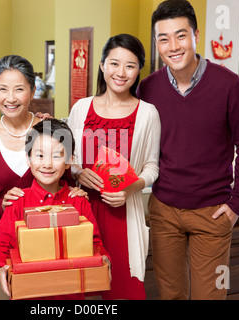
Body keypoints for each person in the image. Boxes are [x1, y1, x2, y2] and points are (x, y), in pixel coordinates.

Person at [136, 0, 239, 300]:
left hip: (213, 215)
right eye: (163, 38)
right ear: (157, 43)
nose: (173, 46)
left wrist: (237, 204)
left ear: (196, 36)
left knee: (213, 295)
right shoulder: (148, 88)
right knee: (170, 296)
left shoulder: (229, 85)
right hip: (164, 212)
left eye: (181, 35)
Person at [0, 55, 85, 299]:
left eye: (19, 89)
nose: (10, 98)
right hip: (1, 244)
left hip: (50, 242)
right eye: (3, 89)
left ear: (32, 91)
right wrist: (0, 205)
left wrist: (76, 192)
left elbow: (68, 179)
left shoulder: (51, 128)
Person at [67, 34, 161, 300]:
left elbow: (152, 167)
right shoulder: (81, 108)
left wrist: (130, 189)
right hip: (82, 211)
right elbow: (68, 157)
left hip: (122, 214)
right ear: (101, 65)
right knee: (76, 289)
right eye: (114, 63)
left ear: (139, 70)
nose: (121, 73)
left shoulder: (147, 113)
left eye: (130, 66)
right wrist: (77, 171)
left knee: (124, 290)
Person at [0, 119, 111, 299]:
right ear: (28, 158)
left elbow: (95, 243)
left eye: (56, 156)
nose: (47, 164)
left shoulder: (78, 202)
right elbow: (1, 246)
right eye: (39, 155)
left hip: (71, 294)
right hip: (28, 293)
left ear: (69, 160)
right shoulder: (17, 202)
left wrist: (105, 260)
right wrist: (1, 269)